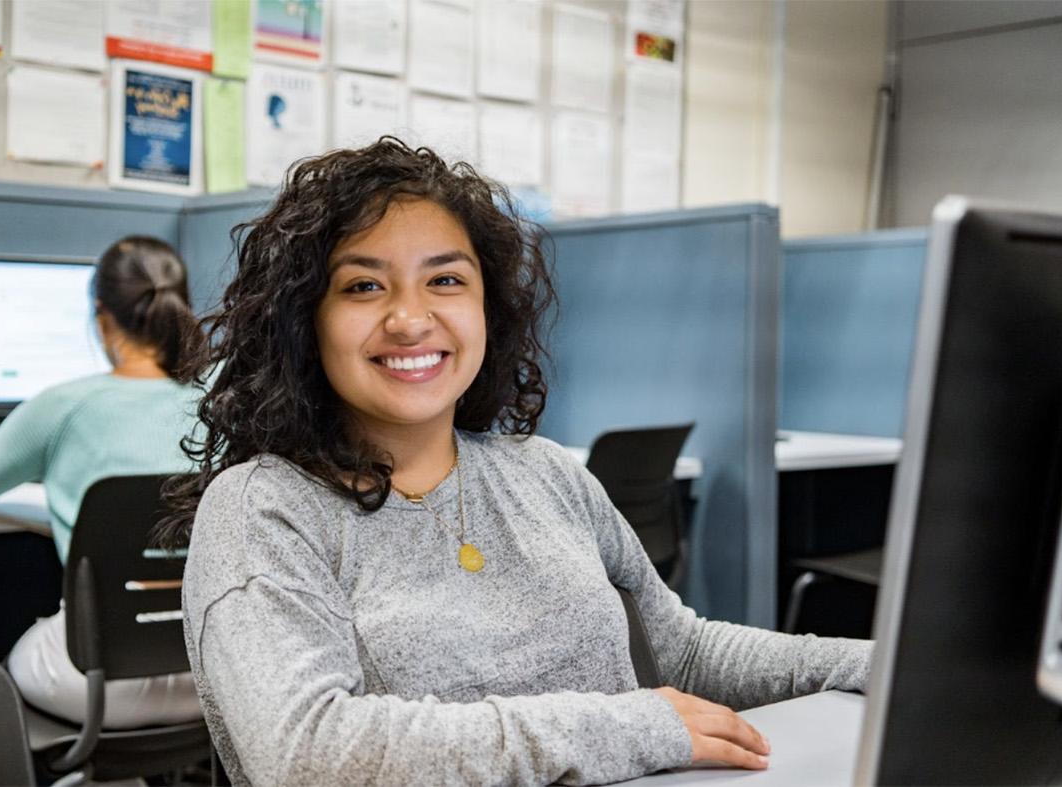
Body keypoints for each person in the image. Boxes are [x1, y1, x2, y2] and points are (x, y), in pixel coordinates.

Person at [159, 139, 872, 785]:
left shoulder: (546, 473)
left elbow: (685, 653)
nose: (410, 318)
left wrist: (883, 665)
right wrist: (629, 725)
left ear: (487, 309)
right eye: (364, 286)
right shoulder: (264, 509)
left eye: (444, 280)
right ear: (303, 320)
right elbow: (308, 752)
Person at [0, 235, 204, 729]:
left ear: (103, 317)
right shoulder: (221, 402)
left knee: (6, 652)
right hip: (215, 675)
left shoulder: (63, 407)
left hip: (101, 684)